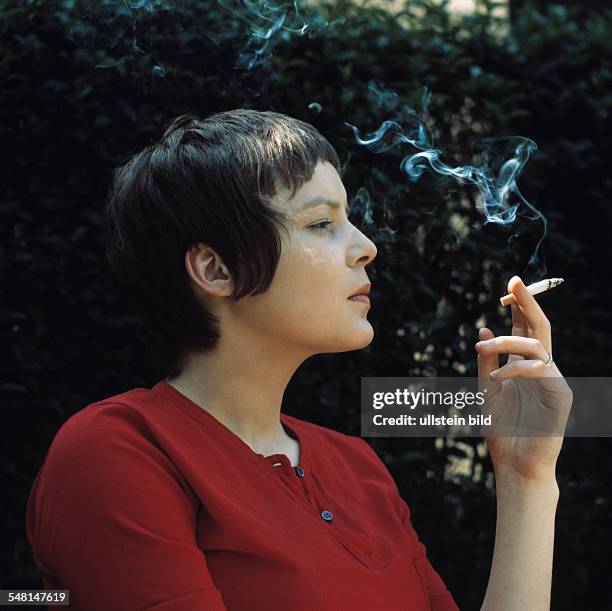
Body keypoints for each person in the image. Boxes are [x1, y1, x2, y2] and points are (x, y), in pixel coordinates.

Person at [25, 110, 573, 611]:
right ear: (217, 271)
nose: (365, 246)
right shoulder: (118, 451)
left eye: (350, 220)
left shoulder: (358, 468)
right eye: (319, 224)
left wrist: (526, 478)